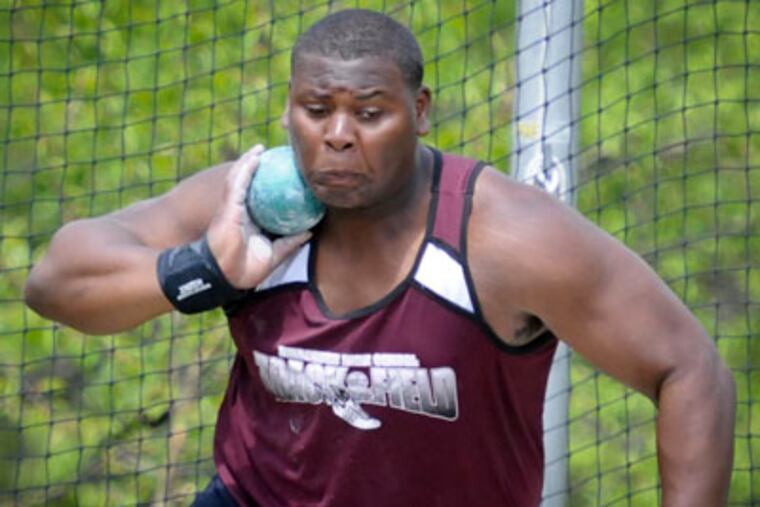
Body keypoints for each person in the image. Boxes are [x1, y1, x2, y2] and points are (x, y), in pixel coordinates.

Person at [24, 8, 735, 507]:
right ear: (288, 111)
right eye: (315, 108)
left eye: (369, 113)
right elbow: (55, 281)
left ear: (419, 110)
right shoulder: (246, 207)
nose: (337, 135)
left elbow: (690, 370)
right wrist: (202, 266)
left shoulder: (506, 237)